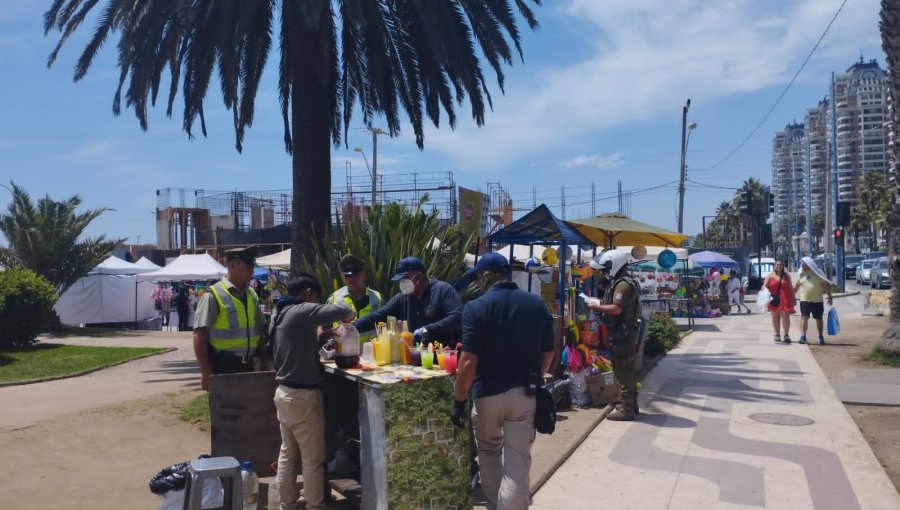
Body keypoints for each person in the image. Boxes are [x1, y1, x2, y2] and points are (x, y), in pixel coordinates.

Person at [451, 253, 553, 510]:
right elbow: (548, 353)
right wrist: (536, 377)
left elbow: (467, 361)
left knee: (488, 452)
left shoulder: (475, 308)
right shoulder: (535, 305)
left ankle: (497, 505)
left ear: (485, 276)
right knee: (517, 461)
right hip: (523, 395)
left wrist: (459, 401)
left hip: (487, 396)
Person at [270, 274, 355, 510]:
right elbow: (342, 309)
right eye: (314, 297)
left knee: (288, 453)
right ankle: (316, 504)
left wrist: (322, 337)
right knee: (312, 459)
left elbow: (294, 346)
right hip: (303, 396)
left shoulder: (279, 312)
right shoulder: (301, 310)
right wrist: (349, 316)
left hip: (284, 392)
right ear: (308, 293)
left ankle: (287, 503)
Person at [192, 246, 269, 391]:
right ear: (232, 266)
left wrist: (263, 361)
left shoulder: (251, 294)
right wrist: (205, 370)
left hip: (248, 366)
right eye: (248, 267)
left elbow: (258, 330)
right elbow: (199, 334)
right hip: (223, 368)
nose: (252, 271)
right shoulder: (213, 295)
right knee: (227, 412)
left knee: (248, 410)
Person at [586, 249, 642, 421]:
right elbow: (615, 305)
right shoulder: (622, 282)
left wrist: (597, 307)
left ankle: (627, 410)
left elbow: (616, 309)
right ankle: (631, 405)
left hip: (622, 334)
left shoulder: (623, 285)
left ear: (614, 265)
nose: (603, 272)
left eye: (605, 269)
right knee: (626, 370)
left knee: (622, 371)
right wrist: (601, 303)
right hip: (623, 333)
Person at [355, 256, 462, 345]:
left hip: (441, 358)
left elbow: (456, 318)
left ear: (419, 276)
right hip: (414, 358)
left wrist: (426, 331)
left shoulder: (443, 290)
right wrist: (352, 327)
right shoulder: (402, 298)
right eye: (400, 280)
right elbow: (379, 316)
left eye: (405, 278)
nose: (402, 283)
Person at [326, 254, 383, 334]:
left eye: (355, 275)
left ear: (364, 273)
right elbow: (325, 330)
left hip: (370, 346)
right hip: (344, 346)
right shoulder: (333, 299)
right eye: (347, 276)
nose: (351, 279)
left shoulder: (377, 298)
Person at [793, 256, 833, 345]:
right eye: (801, 263)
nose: (802, 265)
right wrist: (792, 297)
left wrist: (830, 297)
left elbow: (825, 286)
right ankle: (803, 336)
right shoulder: (801, 275)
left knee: (819, 319)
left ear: (809, 264)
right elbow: (796, 287)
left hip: (817, 300)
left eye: (804, 263)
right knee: (804, 317)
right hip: (805, 300)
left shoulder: (818, 274)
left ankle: (820, 336)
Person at [764, 259, 795, 344]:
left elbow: (791, 287)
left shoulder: (786, 276)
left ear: (783, 266)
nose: (779, 266)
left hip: (785, 299)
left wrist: (793, 297)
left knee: (785, 317)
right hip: (774, 299)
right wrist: (763, 294)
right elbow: (764, 286)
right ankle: (777, 334)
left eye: (781, 264)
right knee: (775, 318)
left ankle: (786, 335)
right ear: (775, 265)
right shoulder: (770, 275)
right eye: (777, 264)